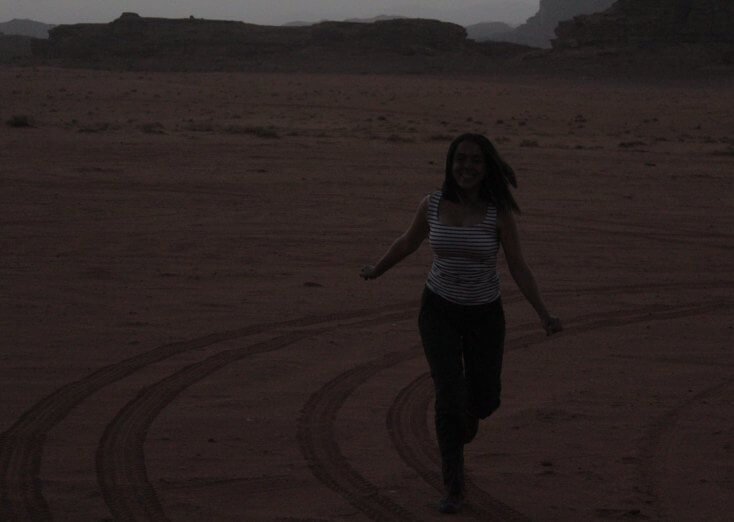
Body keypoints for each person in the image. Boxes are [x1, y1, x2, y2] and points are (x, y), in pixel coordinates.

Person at [360, 133, 562, 514]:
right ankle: (453, 487)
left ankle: (463, 422)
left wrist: (544, 313)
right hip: (438, 311)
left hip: (485, 315)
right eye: (459, 160)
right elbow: (407, 242)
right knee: (449, 397)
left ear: (486, 168)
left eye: (474, 161)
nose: (465, 167)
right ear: (449, 165)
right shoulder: (432, 204)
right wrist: (377, 269)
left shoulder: (497, 212)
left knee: (484, 400)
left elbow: (518, 265)